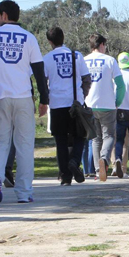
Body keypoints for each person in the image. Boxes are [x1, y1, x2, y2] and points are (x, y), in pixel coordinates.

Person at [0, 0, 48, 204]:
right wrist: (44, 100)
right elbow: (39, 71)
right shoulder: (30, 38)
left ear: (4, 15)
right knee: (24, 144)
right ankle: (24, 193)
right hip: (23, 97)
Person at [41, 26, 91, 186]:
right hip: (75, 102)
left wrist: (45, 99)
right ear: (63, 38)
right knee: (80, 136)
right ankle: (75, 161)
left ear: (50, 41)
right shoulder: (77, 55)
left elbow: (42, 82)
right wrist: (82, 95)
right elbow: (86, 78)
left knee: (61, 141)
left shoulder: (47, 58)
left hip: (56, 104)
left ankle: (65, 176)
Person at [83, 34, 125, 181]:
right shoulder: (110, 60)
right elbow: (120, 85)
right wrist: (117, 102)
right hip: (107, 104)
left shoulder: (84, 60)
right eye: (105, 45)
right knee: (110, 136)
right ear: (101, 44)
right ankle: (104, 159)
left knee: (95, 138)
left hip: (89, 104)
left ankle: (97, 170)